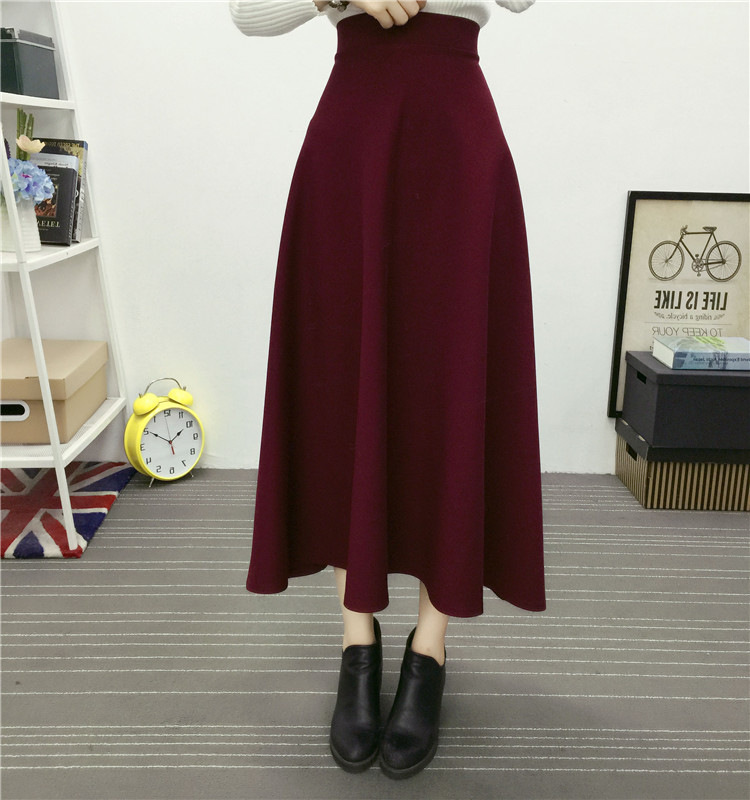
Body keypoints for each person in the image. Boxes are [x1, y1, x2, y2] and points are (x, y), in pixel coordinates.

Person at [230, 0, 545, 779]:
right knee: (345, 385)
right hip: (352, 140)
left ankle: (429, 649)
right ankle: (357, 641)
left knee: (452, 386)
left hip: (455, 139)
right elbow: (247, 13)